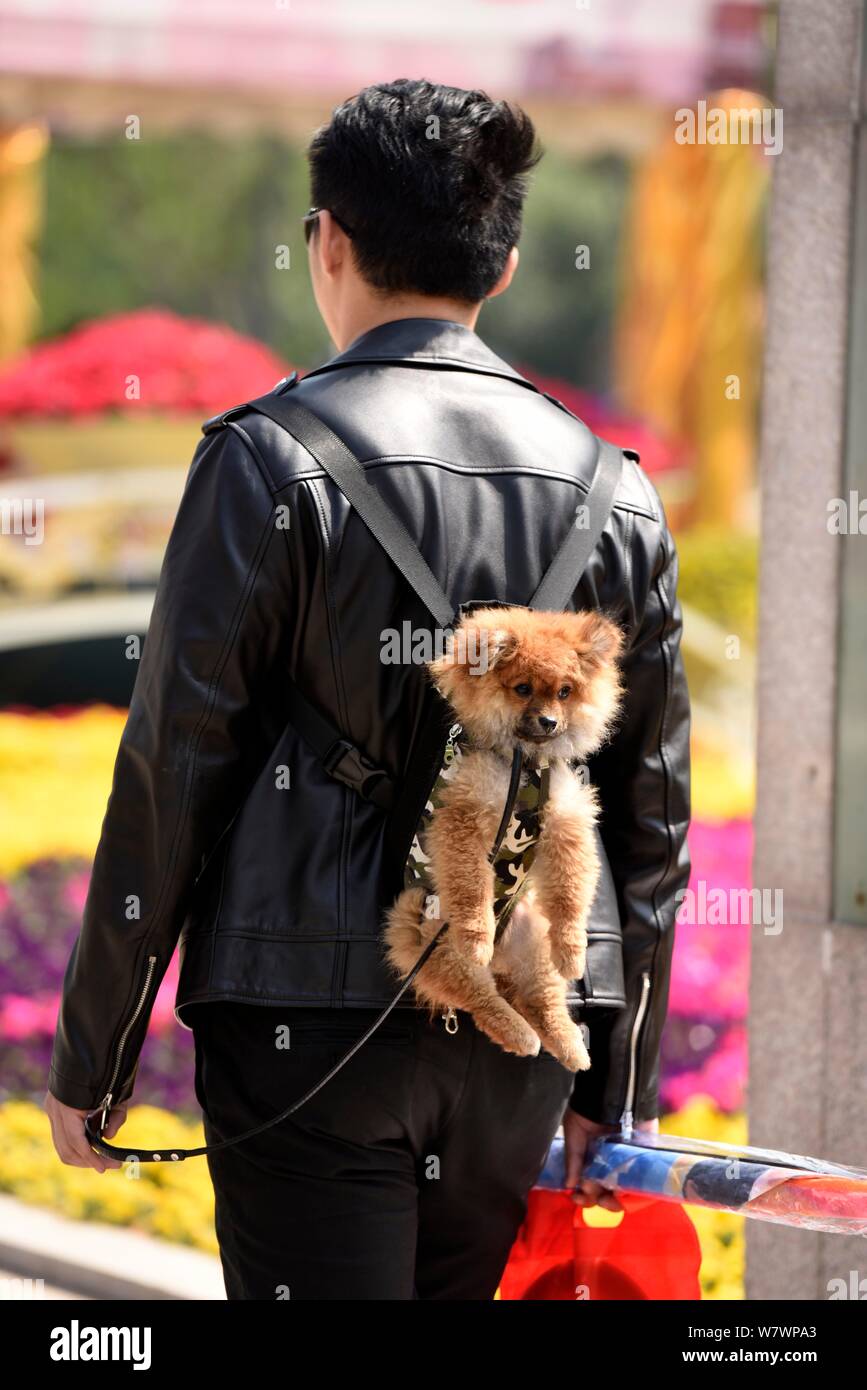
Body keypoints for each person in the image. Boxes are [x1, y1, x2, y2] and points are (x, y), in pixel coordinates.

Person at [45, 78, 691, 1300]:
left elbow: (173, 770)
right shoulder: (618, 493)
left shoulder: (266, 458)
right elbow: (649, 820)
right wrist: (619, 1089)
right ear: (499, 270)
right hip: (520, 1034)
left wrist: (100, 1050)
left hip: (306, 1023)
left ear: (327, 241)